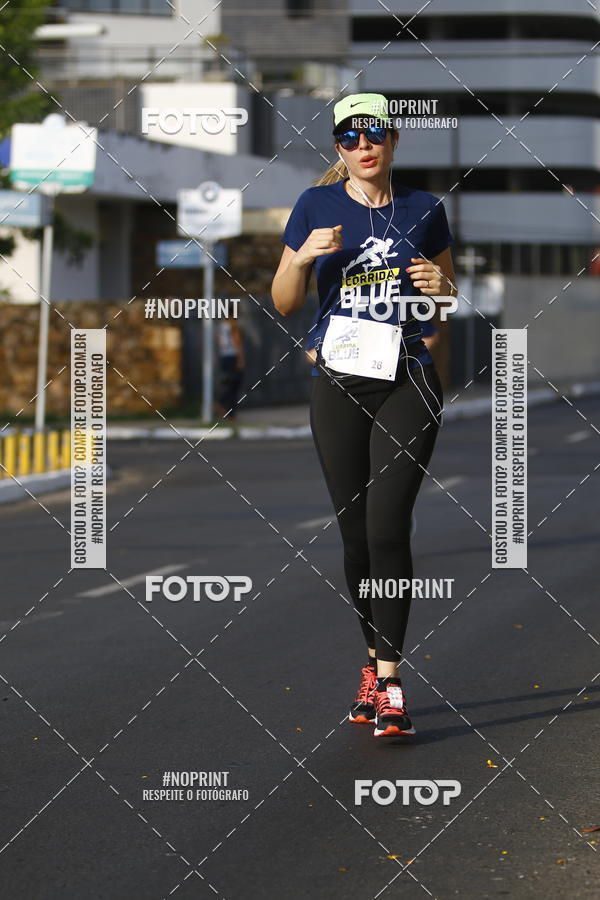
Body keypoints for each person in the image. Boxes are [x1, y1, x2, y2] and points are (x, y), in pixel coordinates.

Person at [271, 93, 457, 739]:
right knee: (354, 538)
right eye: (349, 137)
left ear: (392, 137)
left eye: (372, 132)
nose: (362, 145)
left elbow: (444, 297)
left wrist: (443, 294)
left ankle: (392, 683)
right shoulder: (314, 206)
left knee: (386, 528)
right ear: (338, 148)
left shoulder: (424, 208)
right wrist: (300, 257)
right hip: (340, 382)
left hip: (406, 378)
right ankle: (372, 672)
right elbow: (286, 301)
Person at [214, 315, 245, 421]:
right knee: (234, 386)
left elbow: (219, 341)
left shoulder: (221, 326)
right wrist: (240, 359)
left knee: (227, 383)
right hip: (232, 357)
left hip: (224, 357)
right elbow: (237, 342)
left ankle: (226, 410)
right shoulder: (232, 326)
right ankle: (224, 406)